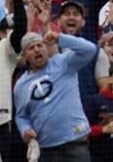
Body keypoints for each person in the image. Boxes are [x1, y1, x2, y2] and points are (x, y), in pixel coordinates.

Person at [14, 30, 98, 162]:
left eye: (40, 45)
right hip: (47, 149)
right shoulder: (20, 86)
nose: (37, 50)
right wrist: (25, 130)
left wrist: (60, 38)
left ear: (46, 48)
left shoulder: (63, 62)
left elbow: (90, 49)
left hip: (76, 144)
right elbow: (21, 116)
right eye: (31, 48)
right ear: (24, 55)